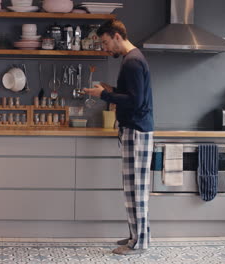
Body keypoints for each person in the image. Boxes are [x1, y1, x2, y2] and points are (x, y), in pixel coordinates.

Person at [83, 19, 154, 255]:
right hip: (135, 128)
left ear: (116, 36)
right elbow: (133, 96)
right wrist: (112, 91)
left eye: (105, 43)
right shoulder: (132, 59)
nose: (105, 48)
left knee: (136, 189)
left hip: (136, 129)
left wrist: (105, 95)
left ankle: (140, 242)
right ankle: (136, 236)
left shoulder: (132, 62)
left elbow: (136, 102)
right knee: (132, 189)